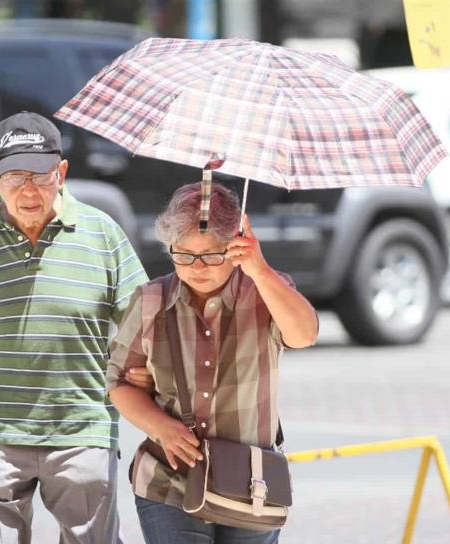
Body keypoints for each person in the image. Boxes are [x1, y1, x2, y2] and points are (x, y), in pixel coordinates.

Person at [0, 111, 151, 544]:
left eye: (39, 176)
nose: (27, 190)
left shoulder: (102, 234)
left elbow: (147, 325)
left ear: (61, 173)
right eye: (14, 176)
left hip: (81, 426)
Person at [105, 182, 319, 544]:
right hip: (169, 480)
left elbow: (303, 335)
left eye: (211, 255)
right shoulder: (151, 300)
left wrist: (260, 269)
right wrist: (161, 426)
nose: (196, 267)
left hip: (252, 483)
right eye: (183, 255)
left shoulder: (264, 292)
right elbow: (119, 382)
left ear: (234, 246)